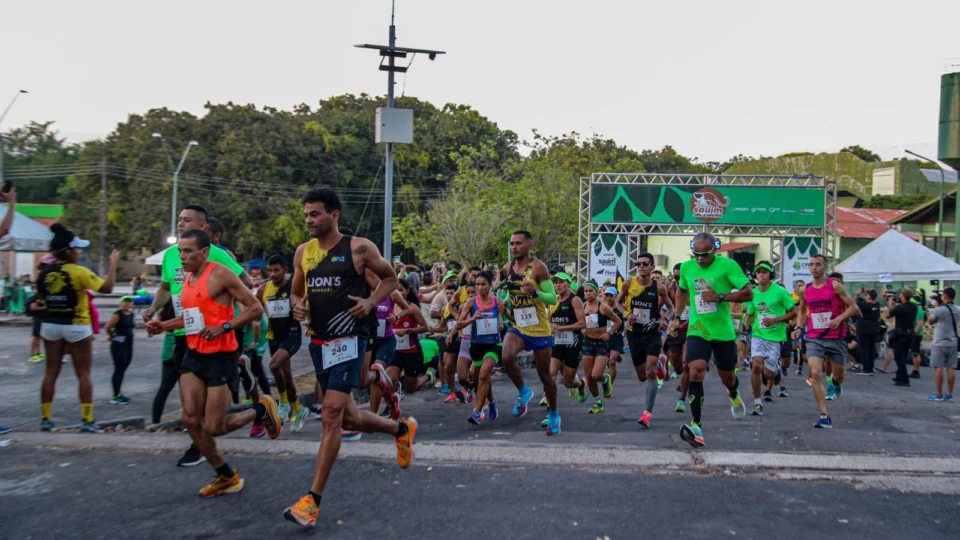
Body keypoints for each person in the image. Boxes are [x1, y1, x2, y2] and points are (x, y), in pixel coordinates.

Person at [285, 188, 417, 528]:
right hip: (318, 341)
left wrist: (371, 303)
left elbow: (390, 279)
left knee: (330, 415)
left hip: (350, 340)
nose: (309, 220)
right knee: (348, 419)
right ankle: (401, 429)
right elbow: (296, 291)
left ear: (334, 215)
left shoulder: (359, 248)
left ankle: (311, 502)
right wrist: (296, 304)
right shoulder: (303, 252)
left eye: (315, 214)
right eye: (307, 215)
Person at [146, 229, 281, 497]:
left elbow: (254, 308)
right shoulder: (188, 279)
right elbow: (192, 319)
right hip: (194, 354)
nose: (181, 256)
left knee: (215, 427)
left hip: (221, 356)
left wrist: (225, 326)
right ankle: (225, 474)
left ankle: (261, 409)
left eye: (187, 251)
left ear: (204, 252)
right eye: (180, 251)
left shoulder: (220, 274)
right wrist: (164, 325)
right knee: (190, 420)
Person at [141, 204, 254, 467]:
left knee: (213, 421)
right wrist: (159, 318)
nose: (180, 223)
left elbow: (249, 294)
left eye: (187, 219)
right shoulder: (178, 264)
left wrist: (226, 323)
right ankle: (216, 464)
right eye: (179, 219)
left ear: (203, 229)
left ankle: (252, 411)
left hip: (220, 344)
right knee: (189, 413)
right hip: (189, 338)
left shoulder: (219, 261)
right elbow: (170, 291)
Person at [669, 233, 752, 447]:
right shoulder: (687, 267)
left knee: (727, 377)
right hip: (698, 329)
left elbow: (748, 293)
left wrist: (721, 297)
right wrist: (677, 318)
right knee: (695, 369)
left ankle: (733, 391)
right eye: (696, 254)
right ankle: (696, 426)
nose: (700, 258)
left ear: (715, 249)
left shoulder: (728, 266)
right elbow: (681, 291)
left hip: (723, 332)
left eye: (704, 254)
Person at [35, 224, 118, 432]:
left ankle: (46, 419)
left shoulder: (44, 273)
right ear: (70, 252)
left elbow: (42, 299)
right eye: (77, 249)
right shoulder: (79, 272)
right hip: (77, 326)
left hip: (51, 325)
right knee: (83, 374)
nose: (79, 252)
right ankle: (87, 420)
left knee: (51, 372)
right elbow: (107, 288)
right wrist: (113, 264)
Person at [499, 231, 560, 434]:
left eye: (518, 244)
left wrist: (536, 293)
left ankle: (553, 414)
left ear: (529, 246)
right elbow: (509, 292)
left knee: (544, 375)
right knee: (506, 356)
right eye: (512, 244)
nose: (514, 247)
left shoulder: (538, 267)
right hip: (518, 326)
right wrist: (503, 302)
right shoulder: (507, 268)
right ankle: (524, 391)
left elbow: (552, 298)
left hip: (539, 328)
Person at [792, 255, 860, 429]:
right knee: (815, 372)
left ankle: (836, 384)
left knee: (839, 376)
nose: (814, 268)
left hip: (836, 337)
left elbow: (854, 307)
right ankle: (824, 415)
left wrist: (841, 317)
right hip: (814, 337)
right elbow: (802, 310)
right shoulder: (804, 289)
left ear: (825, 267)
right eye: (811, 265)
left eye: (818, 265)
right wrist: (799, 327)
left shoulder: (835, 285)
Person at [617, 252, 672, 428]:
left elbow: (670, 308)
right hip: (634, 334)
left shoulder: (659, 287)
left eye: (645, 263)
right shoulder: (628, 284)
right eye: (638, 263)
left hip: (652, 333)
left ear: (652, 267)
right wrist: (626, 314)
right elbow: (618, 303)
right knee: (642, 376)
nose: (641, 266)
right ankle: (661, 364)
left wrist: (665, 319)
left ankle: (647, 413)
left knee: (650, 371)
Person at [257, 254, 307, 432]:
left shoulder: (294, 287)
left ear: (285, 270)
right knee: (285, 374)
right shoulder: (263, 289)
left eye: (276, 270)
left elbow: (306, 304)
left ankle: (283, 402)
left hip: (291, 334)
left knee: (273, 365)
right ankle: (298, 410)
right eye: (269, 270)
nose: (272, 274)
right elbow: (256, 311)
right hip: (273, 336)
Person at [742, 261, 796, 416]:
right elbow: (751, 312)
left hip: (775, 337)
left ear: (770, 275)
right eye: (758, 272)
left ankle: (776, 370)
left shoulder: (780, 292)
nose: (761, 275)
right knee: (756, 366)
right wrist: (746, 325)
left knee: (768, 375)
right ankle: (757, 403)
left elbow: (793, 312)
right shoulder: (753, 293)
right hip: (758, 334)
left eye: (764, 272)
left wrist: (776, 320)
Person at [456, 270, 503, 424]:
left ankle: (477, 411)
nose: (480, 287)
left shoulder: (498, 302)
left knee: (484, 374)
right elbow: (458, 324)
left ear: (490, 285)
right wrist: (472, 319)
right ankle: (492, 401)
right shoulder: (471, 303)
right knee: (481, 379)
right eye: (477, 284)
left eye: (483, 284)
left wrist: (502, 320)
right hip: (476, 345)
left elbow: (508, 317)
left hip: (494, 344)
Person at [543, 272, 587, 423]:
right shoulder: (553, 301)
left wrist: (563, 327)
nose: (558, 285)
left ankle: (580, 384)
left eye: (562, 282)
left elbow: (582, 324)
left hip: (573, 343)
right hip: (557, 344)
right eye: (556, 283)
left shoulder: (575, 300)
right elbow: (549, 322)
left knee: (568, 383)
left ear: (568, 284)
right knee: (551, 375)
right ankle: (550, 413)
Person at [580, 281, 623, 415]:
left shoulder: (603, 307)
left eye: (590, 291)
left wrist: (608, 333)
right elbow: (578, 322)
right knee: (589, 376)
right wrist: (582, 329)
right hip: (588, 342)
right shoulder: (582, 307)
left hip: (601, 343)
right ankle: (597, 401)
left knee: (596, 374)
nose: (588, 293)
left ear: (596, 292)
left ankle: (605, 379)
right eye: (586, 291)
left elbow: (618, 321)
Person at [926, 287, 959, 401]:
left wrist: (936, 308)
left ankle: (938, 393)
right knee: (950, 368)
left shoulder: (939, 310)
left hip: (939, 342)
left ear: (944, 296)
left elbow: (930, 321)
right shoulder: (958, 309)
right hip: (953, 342)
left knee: (938, 367)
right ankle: (949, 394)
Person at [883, 289, 920, 387]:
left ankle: (904, 379)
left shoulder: (900, 308)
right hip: (909, 334)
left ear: (903, 296)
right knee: (903, 355)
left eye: (900, 295)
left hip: (900, 334)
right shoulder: (913, 307)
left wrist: (891, 305)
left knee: (899, 357)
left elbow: (887, 315)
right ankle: (899, 376)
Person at [105, 295, 136, 405]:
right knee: (119, 368)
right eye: (125, 302)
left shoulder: (131, 314)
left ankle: (118, 393)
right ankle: (115, 395)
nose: (127, 304)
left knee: (124, 368)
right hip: (119, 343)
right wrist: (112, 336)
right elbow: (108, 327)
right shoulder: (117, 314)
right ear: (121, 303)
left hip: (129, 342)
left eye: (129, 301)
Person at [855, 290, 881, 375]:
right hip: (874, 329)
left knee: (863, 349)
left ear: (869, 297)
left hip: (864, 329)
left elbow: (853, 304)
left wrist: (857, 294)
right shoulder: (877, 305)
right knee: (871, 349)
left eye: (867, 295)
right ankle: (870, 367)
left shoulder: (864, 305)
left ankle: (866, 369)